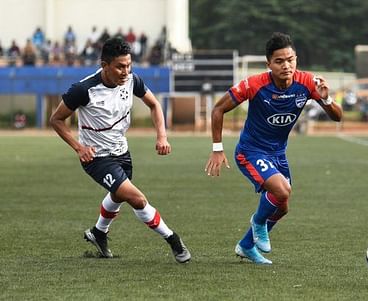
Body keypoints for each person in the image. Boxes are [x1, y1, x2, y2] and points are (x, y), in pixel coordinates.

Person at [204, 32, 342, 265]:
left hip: (277, 154)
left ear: (296, 59)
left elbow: (337, 117)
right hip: (250, 151)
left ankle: (246, 245)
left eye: (290, 59)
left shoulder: (307, 82)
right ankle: (258, 223)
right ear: (269, 64)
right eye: (279, 61)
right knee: (282, 190)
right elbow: (218, 109)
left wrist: (326, 100)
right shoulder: (254, 84)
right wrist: (217, 148)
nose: (286, 65)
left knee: (282, 207)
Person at [50, 38, 191, 263]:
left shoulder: (132, 80)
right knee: (137, 199)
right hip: (96, 157)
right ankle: (173, 239)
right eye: (119, 66)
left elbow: (154, 104)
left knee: (118, 194)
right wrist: (79, 147)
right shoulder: (83, 89)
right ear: (104, 65)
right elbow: (56, 119)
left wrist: (162, 136)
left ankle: (98, 233)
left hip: (122, 152)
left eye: (128, 65)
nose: (125, 71)